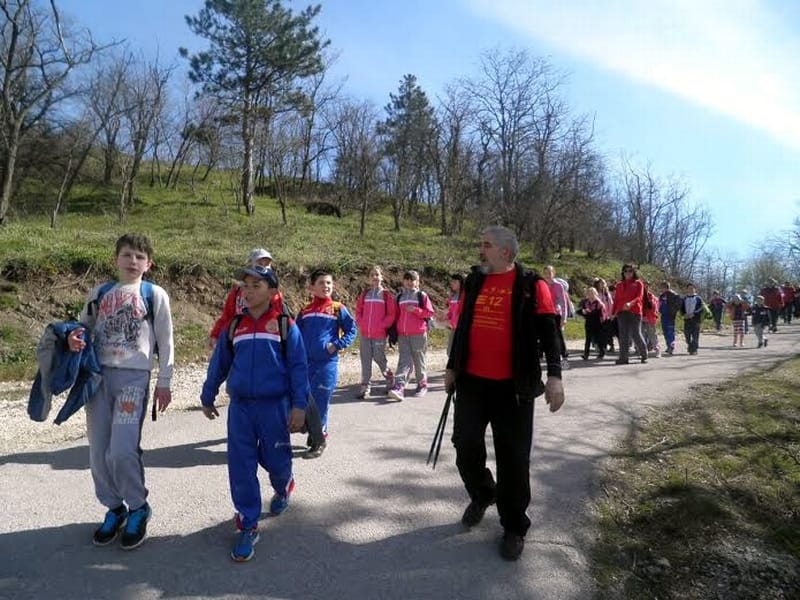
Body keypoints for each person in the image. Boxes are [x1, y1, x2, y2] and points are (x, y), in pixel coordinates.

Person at [445, 225, 564, 561]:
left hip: (514, 387)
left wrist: (555, 376)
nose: (480, 250)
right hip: (472, 382)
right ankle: (483, 493)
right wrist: (453, 366)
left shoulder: (531, 284)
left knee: (513, 458)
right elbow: (463, 326)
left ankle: (513, 525)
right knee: (464, 444)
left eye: (486, 245)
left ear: (505, 252)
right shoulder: (474, 281)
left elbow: (550, 332)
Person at [66, 233, 174, 550]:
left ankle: (138, 507)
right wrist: (74, 338)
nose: (133, 261)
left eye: (140, 257)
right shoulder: (99, 292)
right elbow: (81, 327)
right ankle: (115, 508)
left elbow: (166, 342)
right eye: (127, 255)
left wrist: (164, 381)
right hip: (97, 379)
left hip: (132, 381)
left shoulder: (155, 295)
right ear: (116, 258)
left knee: (122, 450)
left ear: (149, 264)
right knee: (99, 453)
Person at [200, 265, 309, 562]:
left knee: (276, 460)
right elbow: (219, 363)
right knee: (241, 465)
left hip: (275, 407)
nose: (247, 290)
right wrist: (208, 394)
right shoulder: (235, 326)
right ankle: (248, 522)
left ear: (273, 292)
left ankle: (283, 484)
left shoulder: (286, 325)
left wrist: (299, 406)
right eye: (245, 285)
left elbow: (299, 367)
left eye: (256, 285)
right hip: (241, 408)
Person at [296, 269, 358, 457]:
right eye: (321, 283)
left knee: (321, 401)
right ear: (312, 287)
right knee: (306, 399)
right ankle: (313, 430)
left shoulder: (338, 308)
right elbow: (294, 335)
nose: (326, 286)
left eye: (329, 283)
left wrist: (337, 345)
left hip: (326, 364)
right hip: (305, 363)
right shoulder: (305, 310)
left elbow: (352, 330)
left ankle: (319, 440)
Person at [207, 248, 284, 350]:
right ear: (250, 264)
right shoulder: (237, 291)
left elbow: (278, 318)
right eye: (260, 262)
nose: (264, 266)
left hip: (264, 339)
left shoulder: (273, 293)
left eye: (267, 263)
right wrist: (215, 334)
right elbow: (227, 315)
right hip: (238, 338)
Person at [388, 270, 435, 400]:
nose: (409, 282)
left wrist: (416, 310)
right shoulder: (399, 297)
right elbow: (396, 315)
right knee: (404, 360)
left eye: (412, 280)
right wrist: (393, 331)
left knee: (419, 360)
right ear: (403, 281)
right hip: (403, 334)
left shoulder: (422, 295)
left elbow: (429, 313)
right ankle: (399, 386)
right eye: (407, 279)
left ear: (417, 282)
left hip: (419, 333)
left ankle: (422, 384)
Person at [354, 266, 397, 399]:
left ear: (382, 277)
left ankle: (390, 378)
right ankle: (365, 387)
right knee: (365, 359)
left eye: (377, 275)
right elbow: (358, 311)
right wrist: (361, 323)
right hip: (365, 333)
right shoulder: (365, 293)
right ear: (369, 278)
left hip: (379, 334)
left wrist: (382, 325)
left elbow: (391, 314)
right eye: (372, 275)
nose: (374, 277)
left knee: (379, 358)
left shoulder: (386, 294)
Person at [611, 264, 648, 365]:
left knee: (636, 333)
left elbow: (639, 297)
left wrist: (630, 304)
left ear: (633, 272)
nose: (628, 273)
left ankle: (644, 355)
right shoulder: (619, 285)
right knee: (623, 335)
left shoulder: (638, 283)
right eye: (626, 271)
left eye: (630, 271)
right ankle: (623, 358)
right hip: (621, 312)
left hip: (635, 311)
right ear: (623, 272)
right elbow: (616, 300)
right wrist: (613, 312)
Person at [542, 265, 570, 369]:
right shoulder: (542, 284)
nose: (547, 275)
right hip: (545, 313)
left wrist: (564, 317)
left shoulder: (558, 286)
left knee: (558, 335)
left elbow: (563, 302)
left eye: (549, 273)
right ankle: (550, 355)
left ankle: (564, 355)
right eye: (545, 273)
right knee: (547, 336)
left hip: (556, 313)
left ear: (553, 273)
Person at [576, 286, 606, 360]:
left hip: (597, 323)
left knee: (598, 339)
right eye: (589, 293)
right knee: (588, 339)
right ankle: (586, 354)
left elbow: (602, 313)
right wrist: (583, 312)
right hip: (588, 323)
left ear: (596, 294)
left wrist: (590, 312)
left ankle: (602, 352)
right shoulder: (585, 302)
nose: (591, 295)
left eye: (592, 293)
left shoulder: (599, 303)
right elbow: (578, 311)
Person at [680, 283, 705, 355]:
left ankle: (694, 349)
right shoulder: (684, 298)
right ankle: (690, 346)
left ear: (695, 289)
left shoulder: (698, 298)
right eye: (689, 288)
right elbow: (681, 308)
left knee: (695, 335)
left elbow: (701, 308)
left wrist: (694, 313)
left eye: (692, 288)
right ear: (687, 289)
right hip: (687, 319)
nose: (690, 290)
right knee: (687, 334)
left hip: (696, 319)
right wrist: (684, 314)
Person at [658, 281, 682, 355]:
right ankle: (668, 346)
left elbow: (679, 304)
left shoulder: (674, 295)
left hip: (670, 316)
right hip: (663, 315)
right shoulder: (662, 296)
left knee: (670, 331)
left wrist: (673, 311)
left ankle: (671, 346)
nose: (661, 289)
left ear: (666, 287)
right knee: (665, 331)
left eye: (663, 287)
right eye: (661, 287)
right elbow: (659, 304)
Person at [443, 273, 464, 355]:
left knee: (458, 352)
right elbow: (451, 312)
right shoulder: (452, 296)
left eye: (455, 282)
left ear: (461, 283)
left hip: (461, 328)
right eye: (451, 282)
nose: (452, 284)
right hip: (453, 328)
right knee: (450, 352)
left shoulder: (465, 295)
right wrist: (445, 317)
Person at [641, 282, 661, 357]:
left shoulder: (652, 297)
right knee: (641, 336)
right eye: (644, 287)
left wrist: (655, 317)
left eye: (647, 287)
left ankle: (657, 350)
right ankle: (643, 351)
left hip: (650, 319)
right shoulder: (639, 296)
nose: (645, 288)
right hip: (641, 319)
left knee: (652, 336)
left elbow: (655, 309)